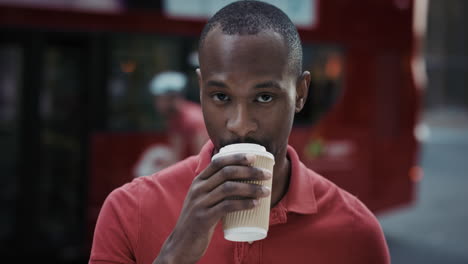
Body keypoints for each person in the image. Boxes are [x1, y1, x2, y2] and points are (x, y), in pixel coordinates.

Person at [89, 1, 390, 263]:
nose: (240, 124)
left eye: (264, 97)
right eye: (221, 97)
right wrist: (174, 256)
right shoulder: (129, 211)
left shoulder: (357, 233)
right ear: (201, 89)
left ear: (300, 93)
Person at [133, 71, 209, 177]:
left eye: (159, 98)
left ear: (173, 98)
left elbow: (202, 161)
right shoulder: (175, 119)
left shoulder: (193, 120)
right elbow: (176, 155)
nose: (156, 103)